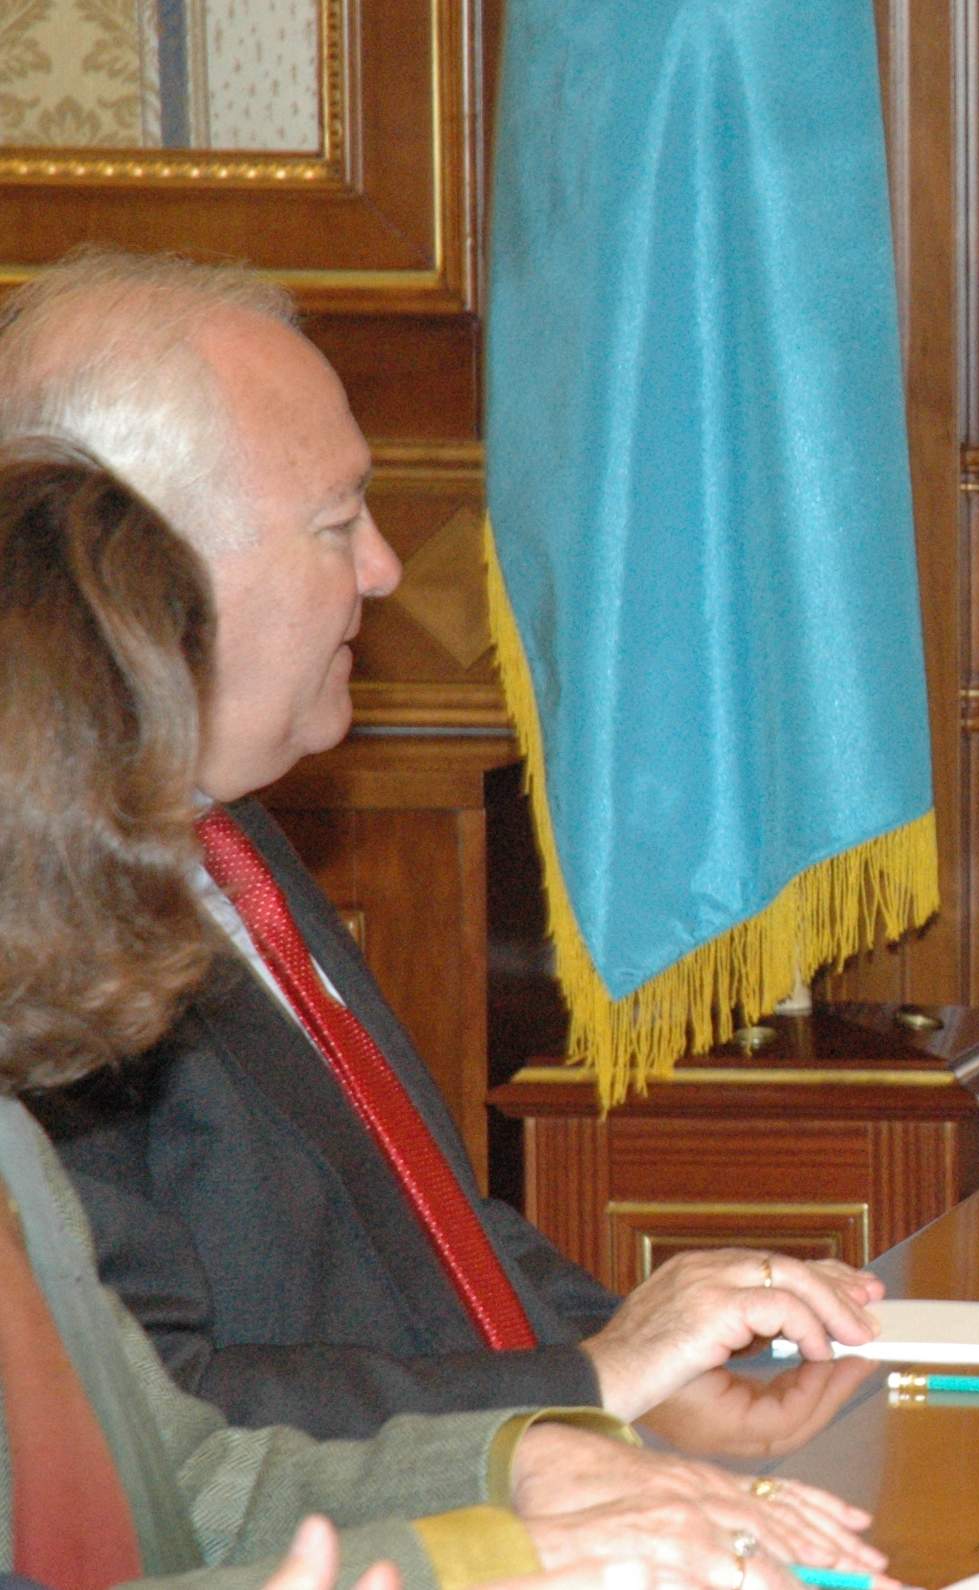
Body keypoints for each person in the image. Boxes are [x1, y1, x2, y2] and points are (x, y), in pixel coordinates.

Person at [0, 245, 882, 1441]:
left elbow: (434, 1239)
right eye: (336, 523)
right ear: (141, 563)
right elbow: (149, 1423)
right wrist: (588, 1385)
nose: (383, 568)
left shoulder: (231, 832)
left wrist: (671, 1349)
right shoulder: (43, 915)